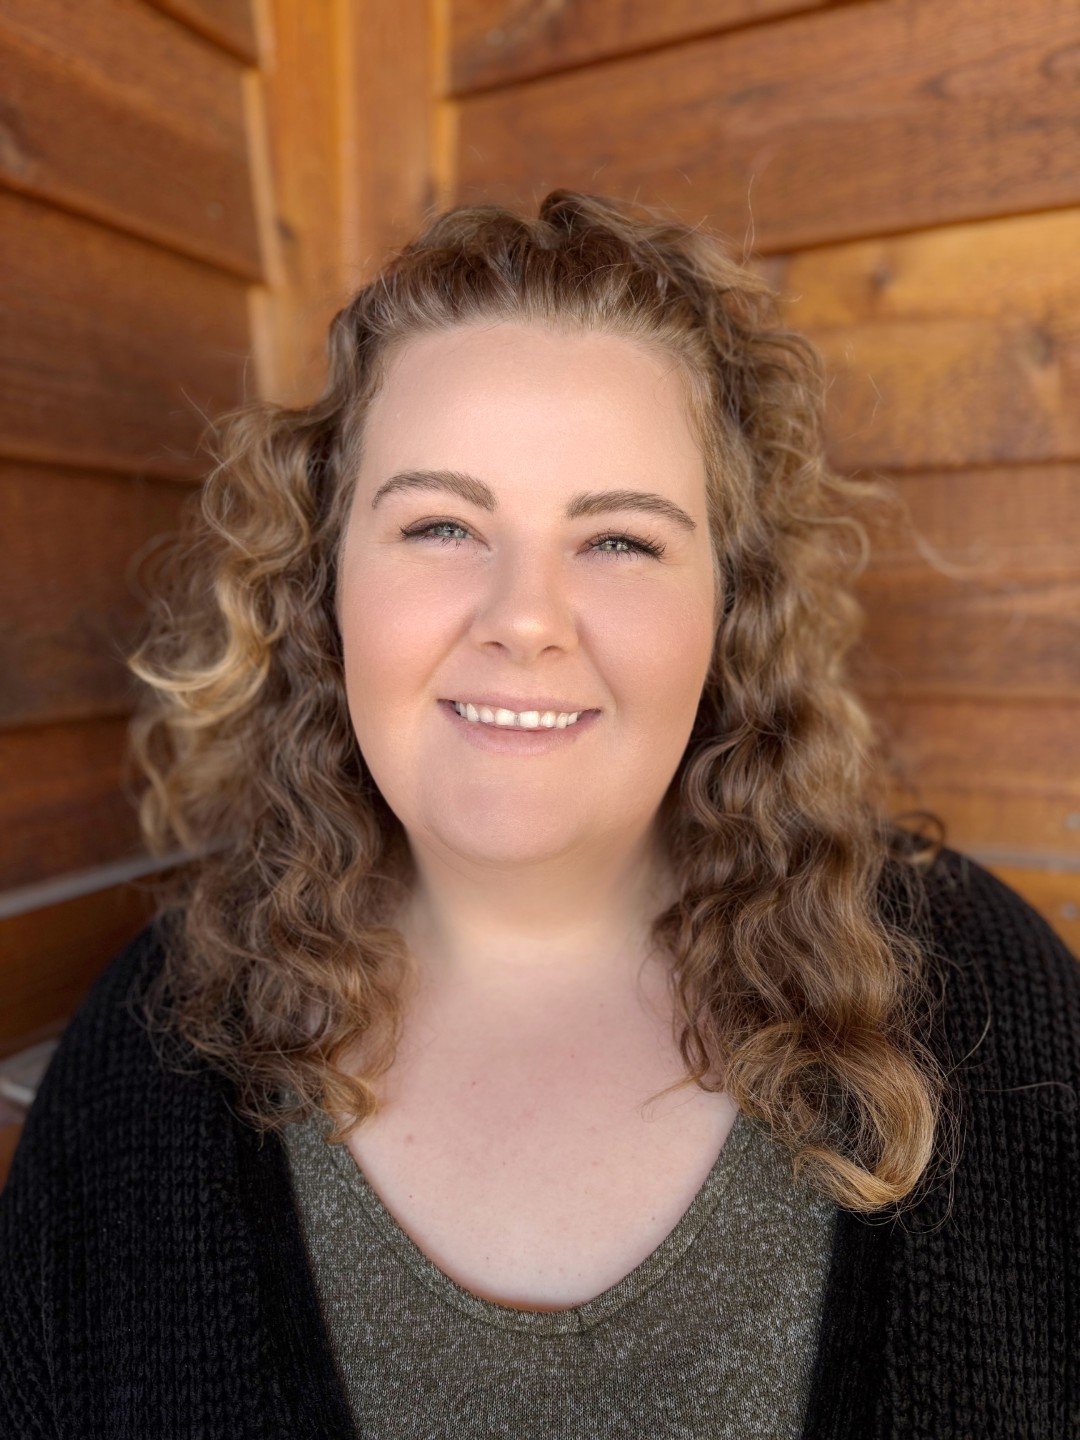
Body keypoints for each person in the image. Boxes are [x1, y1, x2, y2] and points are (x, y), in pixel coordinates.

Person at [1, 189, 1077, 1439]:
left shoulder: (987, 1009)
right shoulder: (147, 1069)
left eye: (619, 540)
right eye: (443, 524)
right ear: (325, 587)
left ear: (729, 611)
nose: (524, 616)